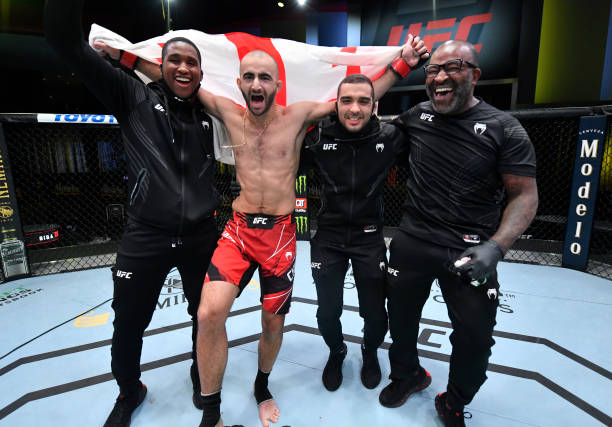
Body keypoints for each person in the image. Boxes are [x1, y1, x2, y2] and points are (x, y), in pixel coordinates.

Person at [128, 35, 427, 426]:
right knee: (208, 313)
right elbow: (176, 79)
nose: (256, 84)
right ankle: (211, 410)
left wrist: (401, 66)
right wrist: (123, 56)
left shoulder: (297, 116)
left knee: (273, 321)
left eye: (264, 77)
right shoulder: (226, 110)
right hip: (237, 231)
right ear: (239, 83)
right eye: (249, 76)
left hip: (280, 235)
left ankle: (262, 385)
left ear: (277, 84)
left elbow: (355, 100)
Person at [45, 1, 221, 426]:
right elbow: (64, 42)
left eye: (192, 62)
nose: (183, 68)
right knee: (128, 324)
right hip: (146, 235)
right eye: (174, 60)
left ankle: (203, 374)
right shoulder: (133, 96)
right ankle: (129, 389)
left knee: (206, 316)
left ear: (201, 72)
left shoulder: (214, 112)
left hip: (201, 234)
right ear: (159, 66)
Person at [380, 40, 538, 427]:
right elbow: (369, 121)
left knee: (475, 336)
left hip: (470, 248)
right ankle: (408, 375)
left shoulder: (504, 128)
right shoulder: (418, 115)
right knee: (399, 318)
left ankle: (454, 400)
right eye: (432, 70)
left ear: (475, 75)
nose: (439, 77)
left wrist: (497, 247)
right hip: (413, 239)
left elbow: (525, 195)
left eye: (452, 67)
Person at [300, 73, 412, 392]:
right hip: (329, 237)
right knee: (327, 312)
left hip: (369, 237)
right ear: (335, 105)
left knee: (376, 315)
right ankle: (337, 352)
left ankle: (369, 352)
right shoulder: (316, 136)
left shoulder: (391, 136)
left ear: (375, 106)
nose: (354, 108)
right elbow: (282, 160)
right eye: (347, 100)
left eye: (363, 101)